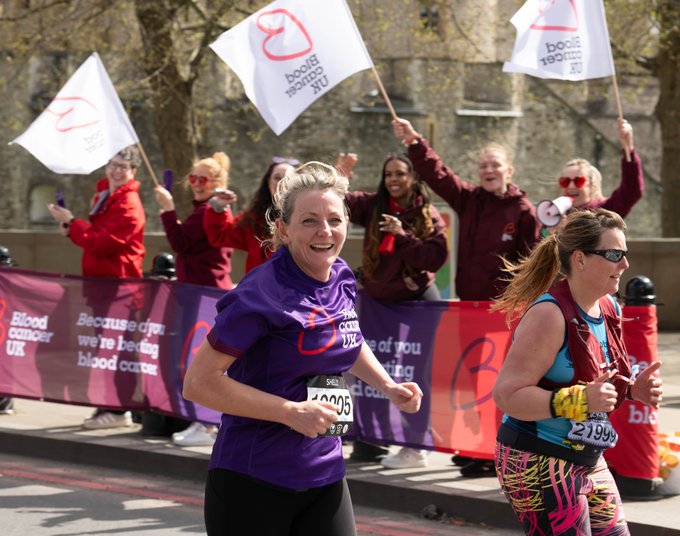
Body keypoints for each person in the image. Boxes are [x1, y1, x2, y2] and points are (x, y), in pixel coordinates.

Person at [182, 162, 423, 536]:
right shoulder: (259, 294)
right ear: (282, 228)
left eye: (334, 219)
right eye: (309, 220)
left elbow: (348, 339)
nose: (324, 232)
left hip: (324, 472)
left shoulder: (341, 274)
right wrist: (291, 412)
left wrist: (389, 386)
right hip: (254, 478)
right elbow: (198, 383)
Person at [491, 208, 663, 535]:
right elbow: (507, 395)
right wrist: (579, 399)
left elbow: (592, 380)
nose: (624, 264)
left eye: (625, 254)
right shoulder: (549, 315)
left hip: (587, 457)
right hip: (535, 457)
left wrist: (631, 389)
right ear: (580, 259)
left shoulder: (609, 305)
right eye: (614, 254)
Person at [392, 117, 541, 476]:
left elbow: (535, 264)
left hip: (504, 312)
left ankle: (499, 452)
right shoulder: (470, 200)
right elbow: (437, 174)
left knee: (502, 383)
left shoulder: (524, 212)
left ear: (509, 169)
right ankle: (477, 448)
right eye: (483, 166)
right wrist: (415, 142)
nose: (489, 171)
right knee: (474, 382)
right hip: (471, 310)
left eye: (495, 165)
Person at [340, 152, 448, 468]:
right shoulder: (373, 206)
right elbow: (337, 199)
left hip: (416, 304)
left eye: (400, 173)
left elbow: (434, 258)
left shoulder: (427, 214)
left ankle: (415, 444)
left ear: (413, 178)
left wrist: (402, 236)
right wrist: (340, 173)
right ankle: (372, 439)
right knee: (373, 373)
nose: (394, 180)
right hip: (377, 304)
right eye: (388, 174)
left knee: (414, 375)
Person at [48, 145, 146, 430]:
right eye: (112, 164)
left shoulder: (128, 205)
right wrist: (72, 228)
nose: (116, 170)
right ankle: (109, 406)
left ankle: (118, 410)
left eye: (123, 166)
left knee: (118, 350)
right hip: (103, 287)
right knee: (107, 350)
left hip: (119, 290)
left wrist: (71, 221)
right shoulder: (108, 196)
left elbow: (100, 243)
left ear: (133, 172)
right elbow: (94, 238)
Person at [153, 152, 234, 446]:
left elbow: (181, 242)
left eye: (204, 179)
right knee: (198, 359)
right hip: (198, 292)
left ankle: (208, 423)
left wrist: (167, 209)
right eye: (193, 179)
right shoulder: (201, 209)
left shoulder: (207, 212)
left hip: (207, 293)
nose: (197, 184)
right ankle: (202, 420)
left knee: (204, 361)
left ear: (218, 183)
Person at [203, 156, 300, 273]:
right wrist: (218, 208)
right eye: (277, 178)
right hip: (258, 289)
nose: (281, 183)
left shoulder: (310, 218)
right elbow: (221, 236)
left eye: (288, 179)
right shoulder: (254, 219)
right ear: (268, 183)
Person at [557, 118, 643, 219]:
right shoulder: (553, 214)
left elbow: (631, 191)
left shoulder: (605, 211)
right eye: (565, 181)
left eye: (578, 181)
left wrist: (628, 146)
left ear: (591, 184)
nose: (571, 186)